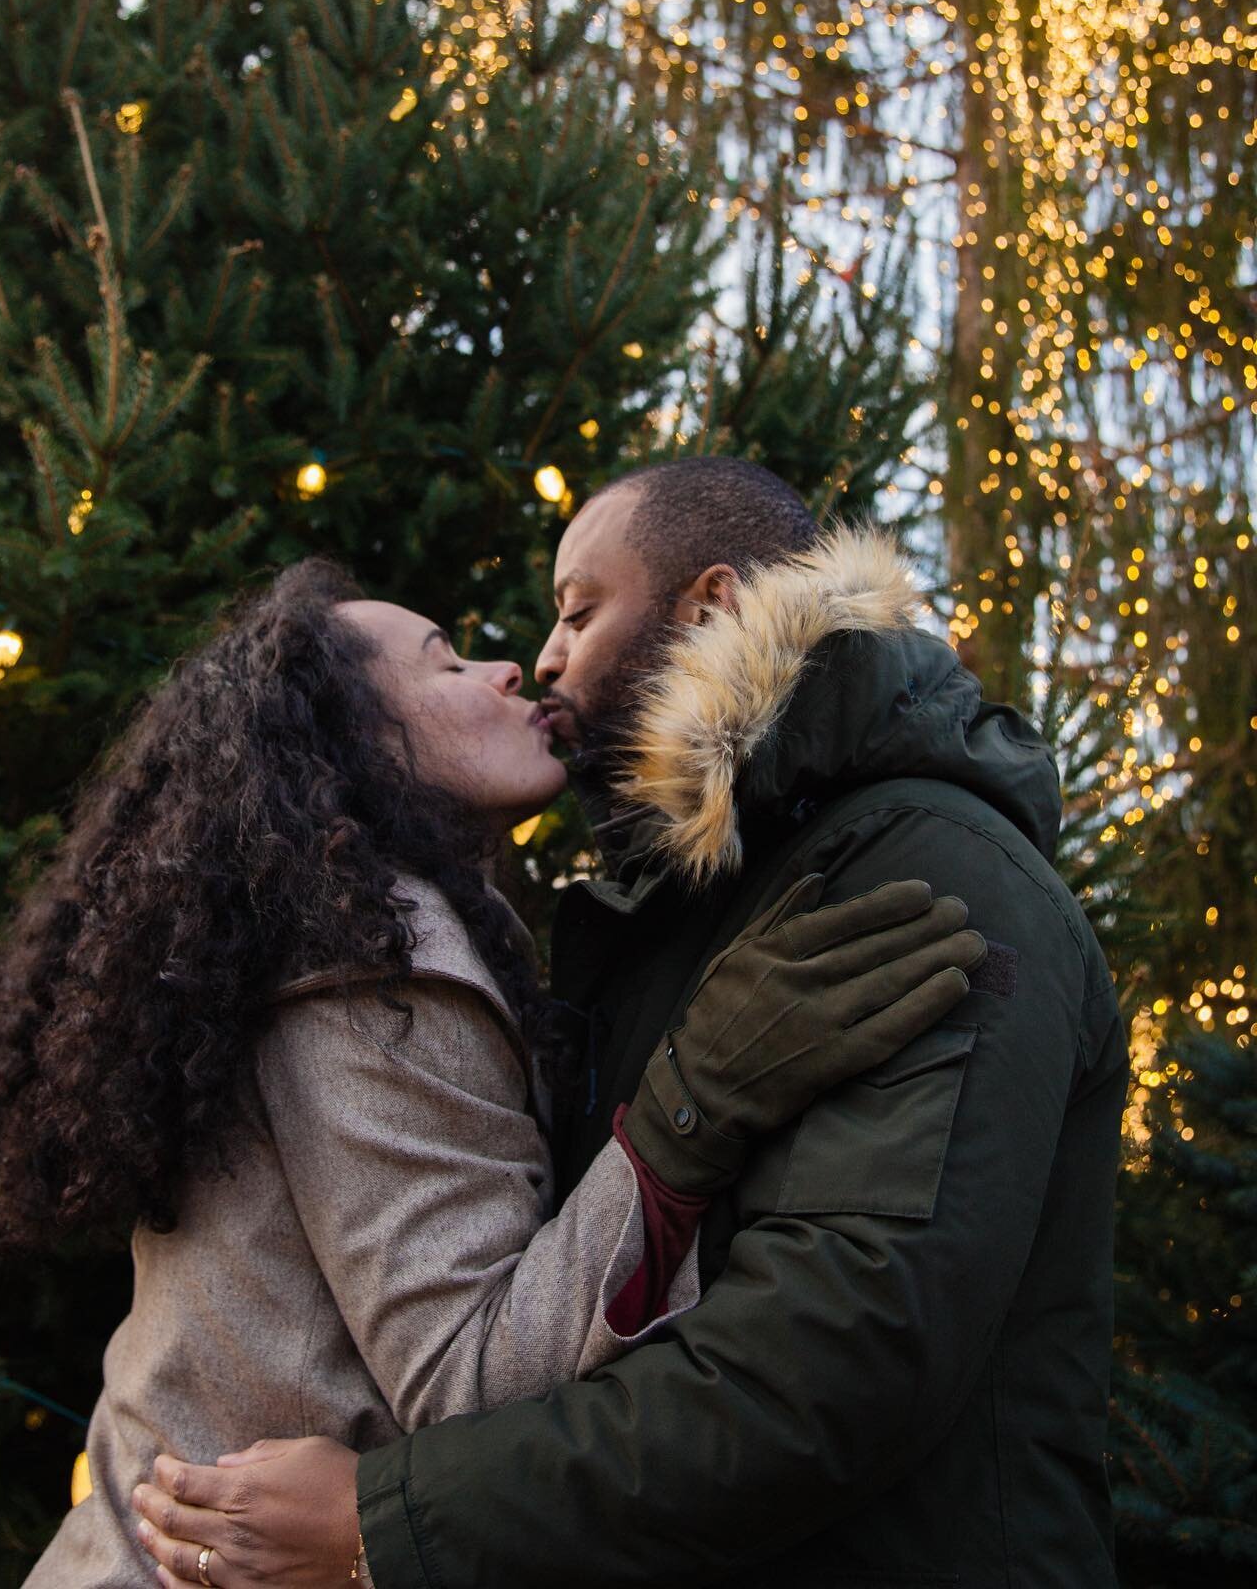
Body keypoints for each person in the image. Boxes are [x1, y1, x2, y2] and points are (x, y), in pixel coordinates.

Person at [136, 460, 1128, 1589]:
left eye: (578, 609)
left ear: (709, 606)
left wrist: (391, 1526)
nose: (542, 657)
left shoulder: (924, 872)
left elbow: (839, 1361)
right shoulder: (675, 911)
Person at [0, 554, 981, 1588]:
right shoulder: (375, 966)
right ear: (352, 744)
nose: (510, 670)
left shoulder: (355, 929)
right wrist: (693, 1107)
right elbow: (471, 1379)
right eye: (447, 663)